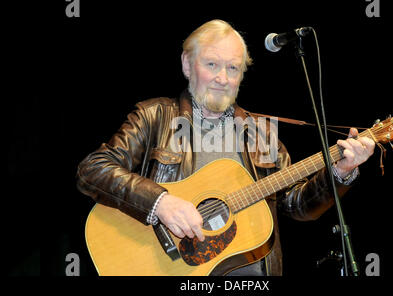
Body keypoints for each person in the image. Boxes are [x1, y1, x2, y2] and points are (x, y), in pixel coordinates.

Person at [76, 19, 375, 276]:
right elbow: (92, 170)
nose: (222, 78)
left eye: (233, 68)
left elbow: (297, 205)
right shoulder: (154, 117)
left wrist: (340, 172)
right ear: (186, 65)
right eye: (212, 64)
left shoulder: (260, 134)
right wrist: (160, 203)